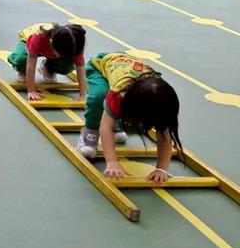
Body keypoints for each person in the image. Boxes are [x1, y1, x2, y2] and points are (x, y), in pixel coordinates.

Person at [77, 53, 181, 186]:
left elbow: (164, 136)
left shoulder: (164, 102)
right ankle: (89, 133)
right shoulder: (118, 94)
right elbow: (105, 127)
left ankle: (118, 126)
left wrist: (161, 169)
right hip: (100, 66)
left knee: (122, 114)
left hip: (126, 70)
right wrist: (112, 161)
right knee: (99, 97)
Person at [7, 23, 87, 101]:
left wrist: (82, 95)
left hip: (51, 49)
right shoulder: (38, 37)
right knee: (19, 60)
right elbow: (31, 64)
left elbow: (81, 69)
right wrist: (31, 90)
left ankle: (48, 68)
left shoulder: (75, 45)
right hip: (29, 41)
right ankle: (22, 70)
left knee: (67, 66)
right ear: (52, 44)